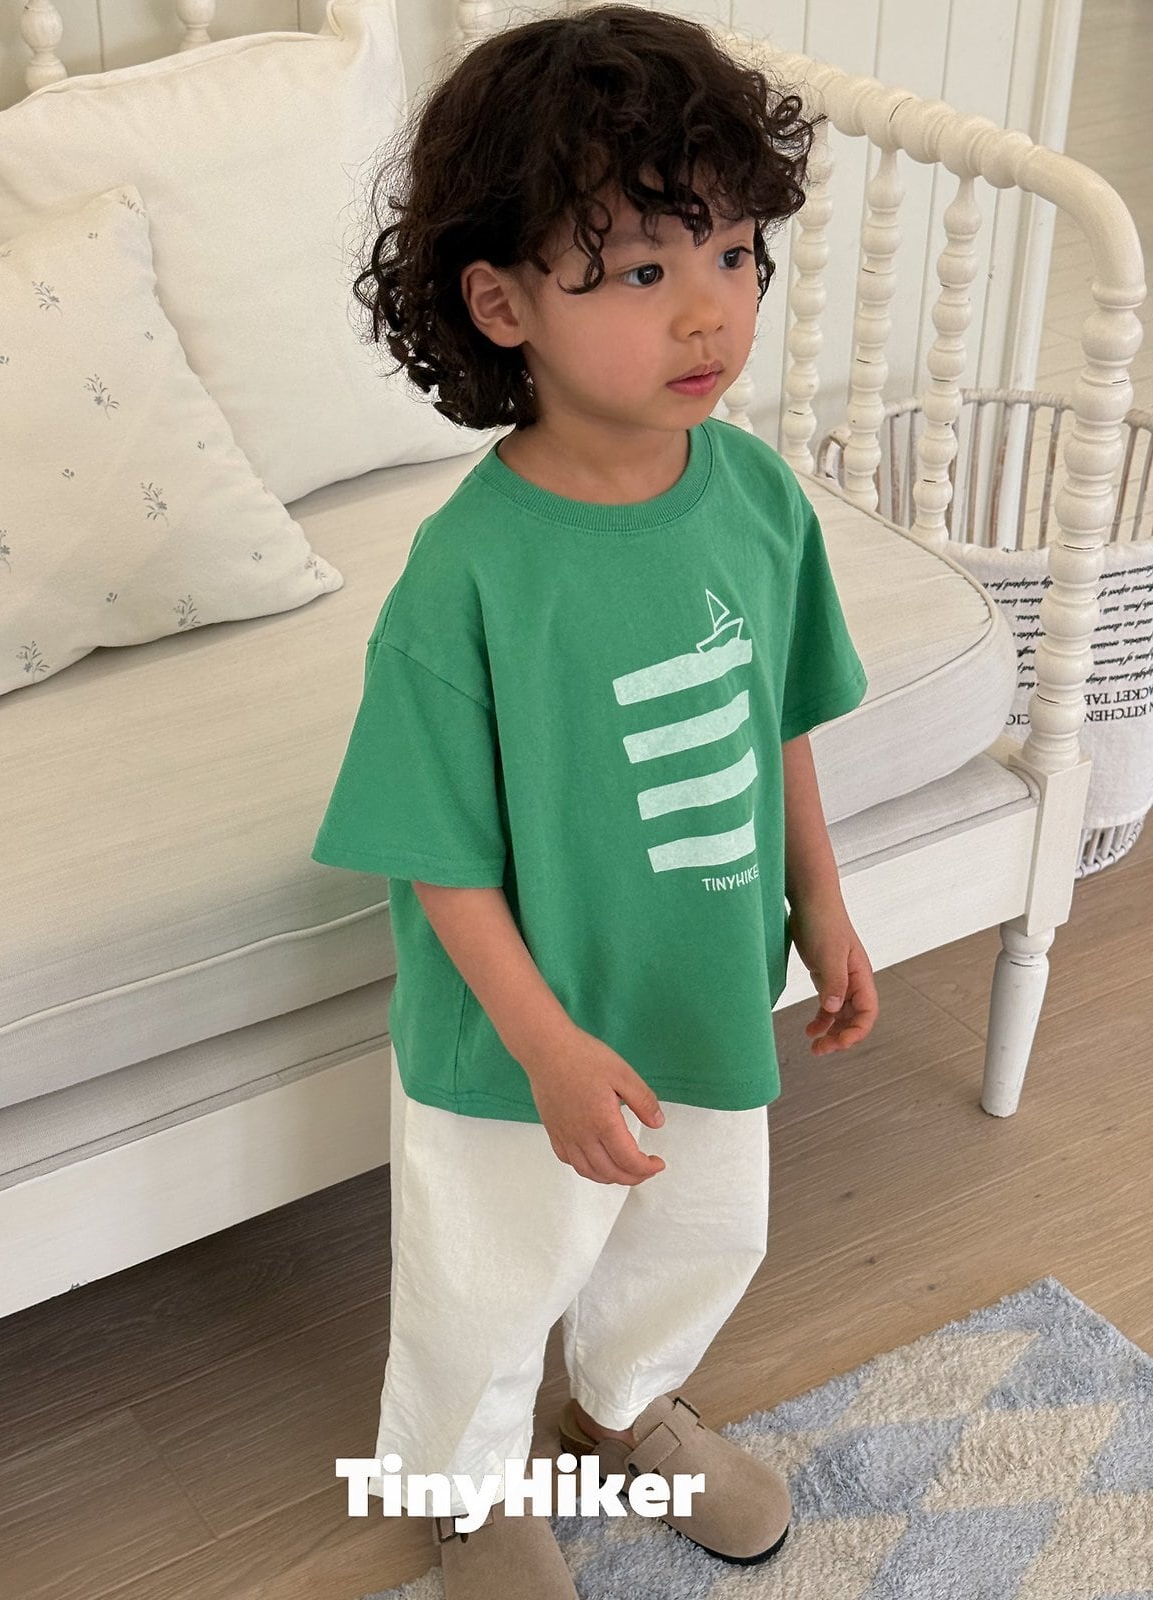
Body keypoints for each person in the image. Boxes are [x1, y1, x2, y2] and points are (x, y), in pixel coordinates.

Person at [311, 5, 880, 1594]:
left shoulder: (756, 496)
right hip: (522, 1036)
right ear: (503, 304)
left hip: (703, 984)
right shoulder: (468, 577)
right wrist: (548, 1048)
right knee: (493, 1275)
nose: (711, 310)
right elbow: (436, 859)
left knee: (702, 1231)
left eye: (736, 253)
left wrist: (823, 897)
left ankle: (625, 1404)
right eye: (639, 271)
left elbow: (778, 714)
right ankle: (471, 1484)